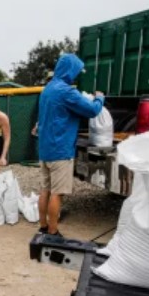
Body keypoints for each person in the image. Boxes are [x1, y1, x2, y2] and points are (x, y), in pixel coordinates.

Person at [36, 54, 105, 237]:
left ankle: (43, 227)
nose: (76, 76)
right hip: (61, 150)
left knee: (45, 189)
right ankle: (53, 232)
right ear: (70, 70)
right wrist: (99, 98)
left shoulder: (48, 89)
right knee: (57, 193)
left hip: (45, 149)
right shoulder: (67, 91)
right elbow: (92, 110)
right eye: (75, 72)